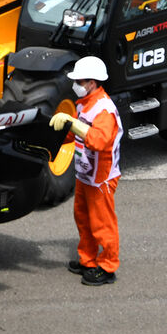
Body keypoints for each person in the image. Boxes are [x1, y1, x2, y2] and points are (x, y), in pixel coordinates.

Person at [48, 56, 123, 286]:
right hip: (85, 173)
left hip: (101, 178)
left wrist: (72, 124)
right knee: (83, 218)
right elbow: (77, 134)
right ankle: (88, 260)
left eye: (79, 81)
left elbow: (98, 141)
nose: (76, 85)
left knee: (102, 223)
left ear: (92, 82)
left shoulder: (104, 110)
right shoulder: (85, 104)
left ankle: (107, 267)